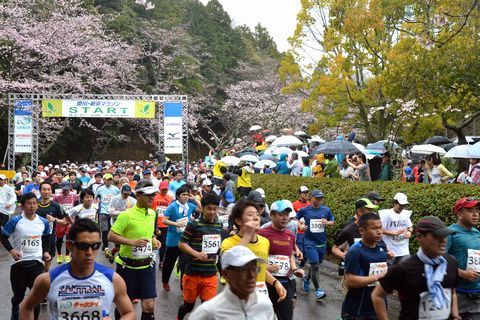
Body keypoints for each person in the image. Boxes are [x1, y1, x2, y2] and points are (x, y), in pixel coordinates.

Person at [19, 218, 135, 320]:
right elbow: (26, 307)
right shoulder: (47, 280)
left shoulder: (113, 279)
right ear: (69, 246)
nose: (89, 252)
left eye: (95, 246)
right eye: (83, 246)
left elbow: (129, 312)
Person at [372, 216, 461, 320]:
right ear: (419, 237)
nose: (443, 241)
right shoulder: (404, 268)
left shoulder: (451, 262)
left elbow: (452, 291)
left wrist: (455, 314)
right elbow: (377, 295)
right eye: (437, 236)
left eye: (445, 236)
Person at [107, 180, 160, 320]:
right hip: (127, 267)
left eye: (153, 195)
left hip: (147, 265)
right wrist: (132, 242)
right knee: (125, 306)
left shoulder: (152, 214)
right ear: (138, 195)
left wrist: (154, 239)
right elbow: (111, 236)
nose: (151, 198)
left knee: (149, 306)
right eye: (148, 195)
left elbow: (149, 233)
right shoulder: (126, 215)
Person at [221, 201, 287, 301]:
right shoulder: (228, 243)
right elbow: (231, 266)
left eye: (257, 214)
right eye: (250, 215)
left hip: (259, 300)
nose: (256, 218)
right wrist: (247, 235)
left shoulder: (265, 242)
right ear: (238, 221)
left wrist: (275, 282)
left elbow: (260, 269)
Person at [189, 245, 276, 319]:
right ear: (226, 274)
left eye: (254, 269)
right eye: (244, 270)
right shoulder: (208, 312)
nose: (252, 275)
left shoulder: (265, 303)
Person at [1, 192, 51, 320]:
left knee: (36, 298)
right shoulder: (15, 221)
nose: (32, 206)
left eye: (34, 203)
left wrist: (45, 252)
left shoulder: (43, 222)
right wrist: (12, 251)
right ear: (23, 206)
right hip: (19, 265)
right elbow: (3, 237)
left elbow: (46, 237)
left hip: (37, 265)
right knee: (18, 297)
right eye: (29, 204)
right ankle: (15, 316)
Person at [177, 193, 223, 320]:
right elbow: (181, 243)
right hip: (193, 273)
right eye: (209, 208)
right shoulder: (194, 224)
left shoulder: (219, 225)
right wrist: (196, 253)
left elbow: (218, 247)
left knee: (208, 309)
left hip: (210, 274)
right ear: (202, 208)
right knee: (188, 307)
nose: (212, 212)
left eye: (215, 209)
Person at [258, 200, 304, 320]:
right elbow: (255, 256)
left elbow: (290, 255)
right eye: (281, 214)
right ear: (272, 215)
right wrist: (266, 266)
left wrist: (294, 269)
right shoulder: (262, 233)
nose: (285, 218)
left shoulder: (290, 235)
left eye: (287, 215)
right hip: (266, 284)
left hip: (285, 283)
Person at [342, 212, 388, 320]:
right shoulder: (355, 251)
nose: (379, 232)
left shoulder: (382, 246)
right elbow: (351, 281)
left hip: (378, 307)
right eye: (374, 228)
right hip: (358, 310)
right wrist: (378, 276)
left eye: (380, 228)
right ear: (362, 231)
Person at [296, 189, 334, 300]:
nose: (319, 200)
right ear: (311, 198)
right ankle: (318, 290)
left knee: (315, 266)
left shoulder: (326, 210)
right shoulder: (305, 210)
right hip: (309, 242)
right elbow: (296, 218)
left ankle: (307, 279)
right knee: (315, 265)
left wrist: (327, 222)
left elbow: (332, 221)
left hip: (321, 243)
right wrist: (301, 226)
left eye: (321, 198)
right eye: (317, 198)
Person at [446, 197, 480, 319]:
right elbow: (438, 261)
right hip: (457, 295)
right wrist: (461, 273)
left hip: (476, 295)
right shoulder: (450, 233)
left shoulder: (477, 233)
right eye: (471, 211)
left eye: (477, 210)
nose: (476, 214)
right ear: (460, 213)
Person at [161, 186, 197, 291]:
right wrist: (176, 224)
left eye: (187, 194)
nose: (186, 197)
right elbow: (164, 220)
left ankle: (183, 286)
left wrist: (194, 199)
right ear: (178, 196)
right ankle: (165, 281)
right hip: (173, 240)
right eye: (183, 195)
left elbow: (202, 209)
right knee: (169, 263)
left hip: (185, 240)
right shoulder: (173, 206)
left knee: (185, 264)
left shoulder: (190, 205)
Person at [36, 182, 66, 270]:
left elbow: (64, 221)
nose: (46, 192)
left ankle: (45, 279)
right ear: (40, 191)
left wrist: (55, 219)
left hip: (50, 239)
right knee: (37, 265)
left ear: (51, 191)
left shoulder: (56, 206)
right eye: (44, 189)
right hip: (35, 238)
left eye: (48, 190)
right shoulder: (35, 205)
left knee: (47, 266)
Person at [379, 193, 412, 264]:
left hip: (403, 250)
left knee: (404, 271)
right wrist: (394, 232)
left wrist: (409, 232)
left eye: (404, 205)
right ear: (395, 203)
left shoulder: (405, 213)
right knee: (390, 272)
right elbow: (380, 230)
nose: (402, 207)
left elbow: (410, 226)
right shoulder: (386, 214)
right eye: (400, 205)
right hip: (390, 249)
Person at [53, 181, 77, 264]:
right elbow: (55, 208)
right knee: (59, 239)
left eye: (67, 189)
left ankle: (67, 255)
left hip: (70, 220)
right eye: (64, 189)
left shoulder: (73, 195)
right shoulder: (57, 196)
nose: (65, 191)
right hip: (61, 220)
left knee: (68, 238)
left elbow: (76, 206)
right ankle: (59, 255)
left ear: (70, 187)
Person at [95, 173, 120, 253]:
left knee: (114, 230)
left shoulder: (116, 189)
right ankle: (106, 247)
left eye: (110, 180)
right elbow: (95, 198)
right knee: (105, 230)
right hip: (103, 212)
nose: (109, 181)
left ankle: (116, 246)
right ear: (104, 180)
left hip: (113, 213)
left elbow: (119, 199)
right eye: (107, 180)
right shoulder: (100, 189)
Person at [152, 180, 173, 270]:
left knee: (163, 245)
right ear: (160, 189)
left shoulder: (170, 199)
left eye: (166, 189)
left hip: (165, 225)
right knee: (153, 243)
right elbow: (152, 212)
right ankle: (151, 260)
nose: (164, 191)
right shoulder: (155, 198)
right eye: (162, 189)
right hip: (155, 225)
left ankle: (161, 262)